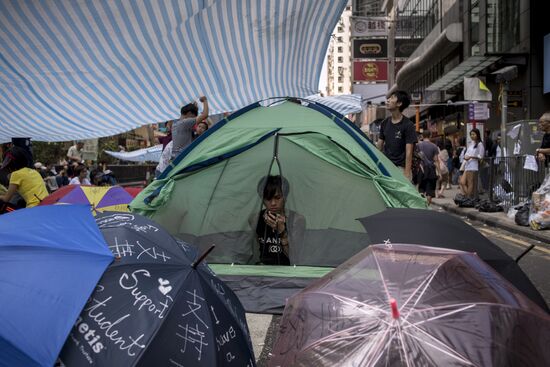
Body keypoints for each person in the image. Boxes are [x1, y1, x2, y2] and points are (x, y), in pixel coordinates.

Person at [253, 175, 305, 265]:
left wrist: (282, 232)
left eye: (277, 198)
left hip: (288, 271)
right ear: (262, 199)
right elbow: (259, 251)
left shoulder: (296, 220)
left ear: (285, 197)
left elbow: (296, 258)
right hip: (264, 270)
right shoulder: (255, 219)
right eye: (268, 198)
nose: (273, 203)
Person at [377, 90, 417, 180]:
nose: (388, 100)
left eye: (392, 98)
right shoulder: (384, 123)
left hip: (401, 169)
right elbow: (379, 147)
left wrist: (406, 172)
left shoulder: (408, 125)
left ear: (399, 103)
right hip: (386, 167)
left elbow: (409, 152)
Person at [416, 131, 440, 205]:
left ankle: (422, 198)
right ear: (430, 135)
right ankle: (428, 204)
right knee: (430, 190)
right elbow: (436, 160)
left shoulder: (418, 145)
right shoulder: (434, 146)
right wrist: (439, 172)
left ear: (422, 136)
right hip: (431, 170)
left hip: (421, 169)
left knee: (421, 188)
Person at [460, 128, 485, 198]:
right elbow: (467, 153)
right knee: (462, 182)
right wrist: (466, 157)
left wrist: (471, 157)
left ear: (477, 135)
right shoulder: (471, 143)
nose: (472, 136)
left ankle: (468, 198)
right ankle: (469, 196)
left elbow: (481, 157)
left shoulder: (480, 144)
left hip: (473, 166)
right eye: (471, 134)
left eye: (473, 134)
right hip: (467, 165)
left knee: (470, 183)